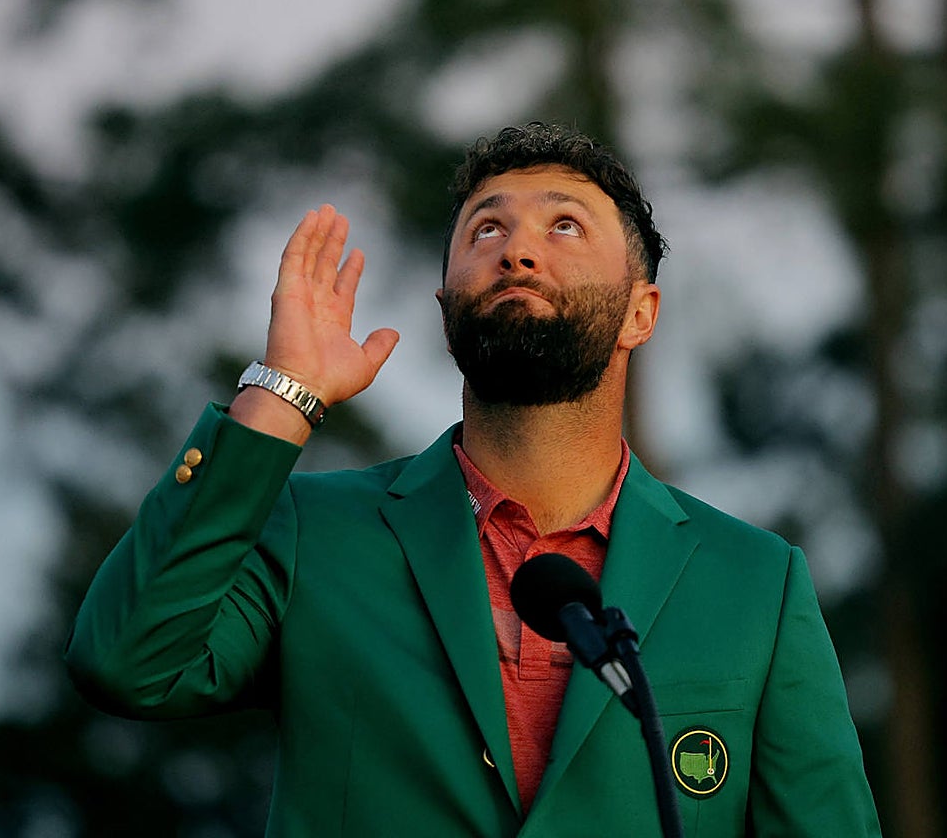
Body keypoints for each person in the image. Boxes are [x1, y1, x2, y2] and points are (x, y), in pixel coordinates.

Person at [65, 122, 882, 837]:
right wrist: (284, 393)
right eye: (485, 231)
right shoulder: (317, 531)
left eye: (566, 226)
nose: (517, 248)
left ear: (642, 312)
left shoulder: (755, 584)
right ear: (446, 299)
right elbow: (128, 662)